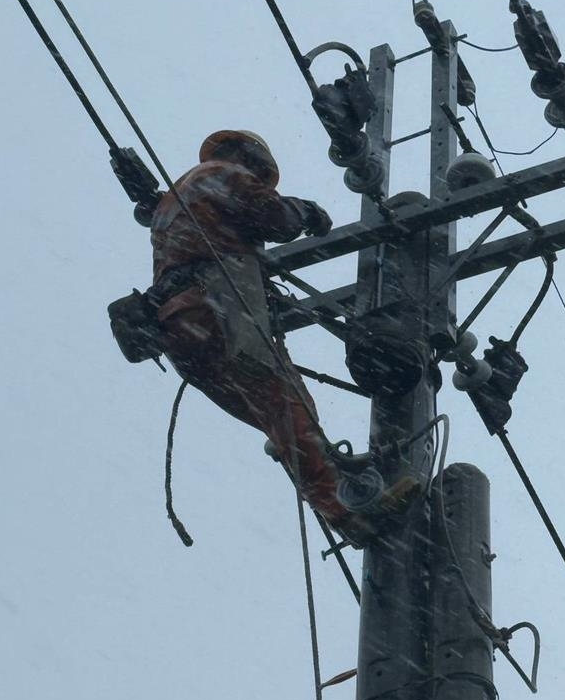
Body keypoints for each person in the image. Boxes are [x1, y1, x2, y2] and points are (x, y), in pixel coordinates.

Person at [149, 130, 415, 547]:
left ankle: (334, 483)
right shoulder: (221, 174)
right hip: (217, 307)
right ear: (247, 157)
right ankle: (347, 510)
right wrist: (305, 212)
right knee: (285, 405)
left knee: (280, 416)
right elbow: (274, 217)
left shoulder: (170, 204)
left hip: (178, 327)